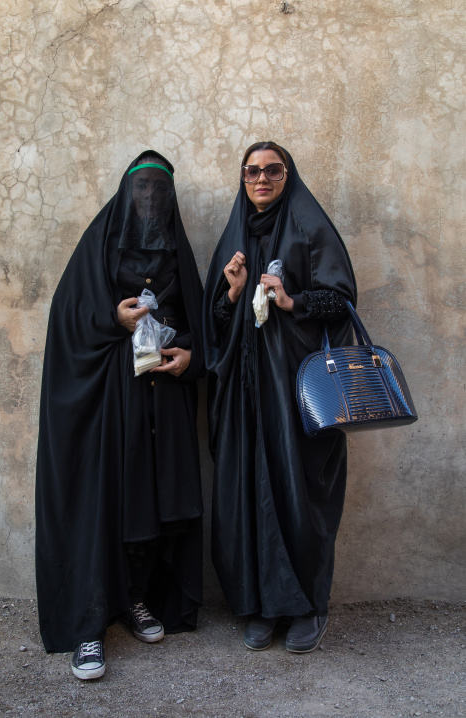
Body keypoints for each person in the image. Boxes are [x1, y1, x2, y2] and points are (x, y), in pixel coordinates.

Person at [36, 151, 204, 679]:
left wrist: (189, 354)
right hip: (110, 398)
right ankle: (88, 624)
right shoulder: (100, 246)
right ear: (126, 194)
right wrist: (114, 318)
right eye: (142, 189)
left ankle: (135, 597)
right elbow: (68, 316)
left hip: (163, 397)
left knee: (151, 501)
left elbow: (201, 322)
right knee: (101, 503)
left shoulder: (179, 253)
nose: (151, 199)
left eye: (161, 190)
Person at [203, 141, 357, 653]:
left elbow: (341, 298)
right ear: (242, 178)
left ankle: (309, 606)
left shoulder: (309, 226)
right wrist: (232, 292)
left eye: (272, 170)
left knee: (299, 492)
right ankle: (259, 606)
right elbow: (215, 325)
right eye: (252, 171)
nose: (262, 179)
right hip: (246, 398)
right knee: (247, 493)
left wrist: (291, 301)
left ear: (288, 175)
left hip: (298, 394)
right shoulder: (235, 234)